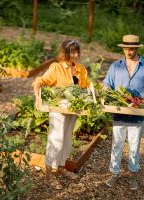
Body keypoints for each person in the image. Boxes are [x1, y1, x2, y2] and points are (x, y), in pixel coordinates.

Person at [103, 34, 144, 190]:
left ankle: (133, 175)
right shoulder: (115, 66)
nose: (128, 52)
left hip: (137, 116)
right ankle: (114, 173)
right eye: (126, 49)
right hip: (118, 112)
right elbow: (106, 85)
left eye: (131, 49)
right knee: (116, 145)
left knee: (134, 146)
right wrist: (104, 94)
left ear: (137, 48)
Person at [33, 40, 89, 190]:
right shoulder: (56, 68)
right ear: (65, 52)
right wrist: (38, 99)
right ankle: (48, 176)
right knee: (56, 140)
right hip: (58, 110)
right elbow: (40, 82)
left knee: (67, 140)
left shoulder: (80, 69)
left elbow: (86, 87)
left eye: (77, 51)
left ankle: (61, 168)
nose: (76, 55)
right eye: (72, 52)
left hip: (73, 110)